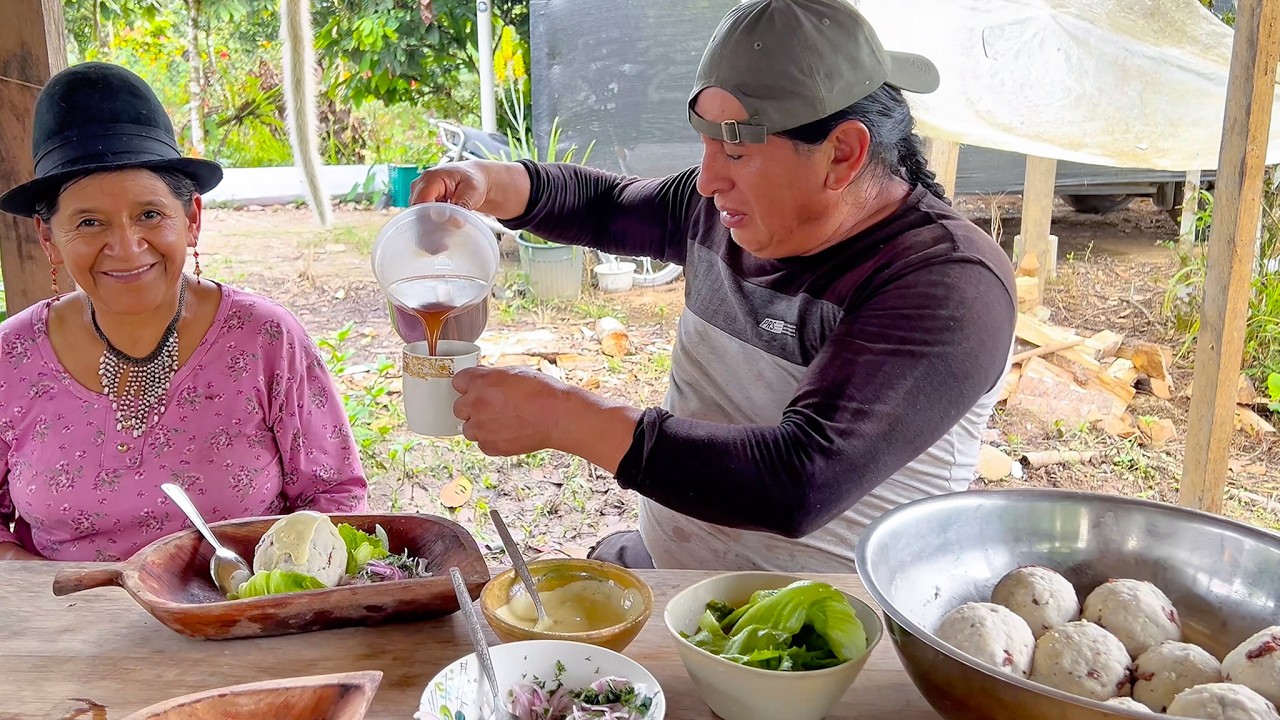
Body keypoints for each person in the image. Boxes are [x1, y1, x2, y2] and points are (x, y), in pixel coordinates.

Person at [411, 0, 1017, 572]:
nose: (706, 181)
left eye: (735, 145)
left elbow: (798, 481)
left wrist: (565, 418)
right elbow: (607, 203)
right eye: (706, 142)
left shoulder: (945, 282)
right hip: (675, 572)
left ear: (842, 154)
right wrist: (485, 182)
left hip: (832, 631)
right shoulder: (727, 213)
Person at [0, 62, 368, 562]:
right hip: (71, 623)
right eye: (89, 222)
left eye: (150, 214)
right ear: (49, 239)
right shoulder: (11, 357)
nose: (127, 248)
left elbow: (335, 498)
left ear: (191, 219)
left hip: (242, 620)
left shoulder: (264, 340)